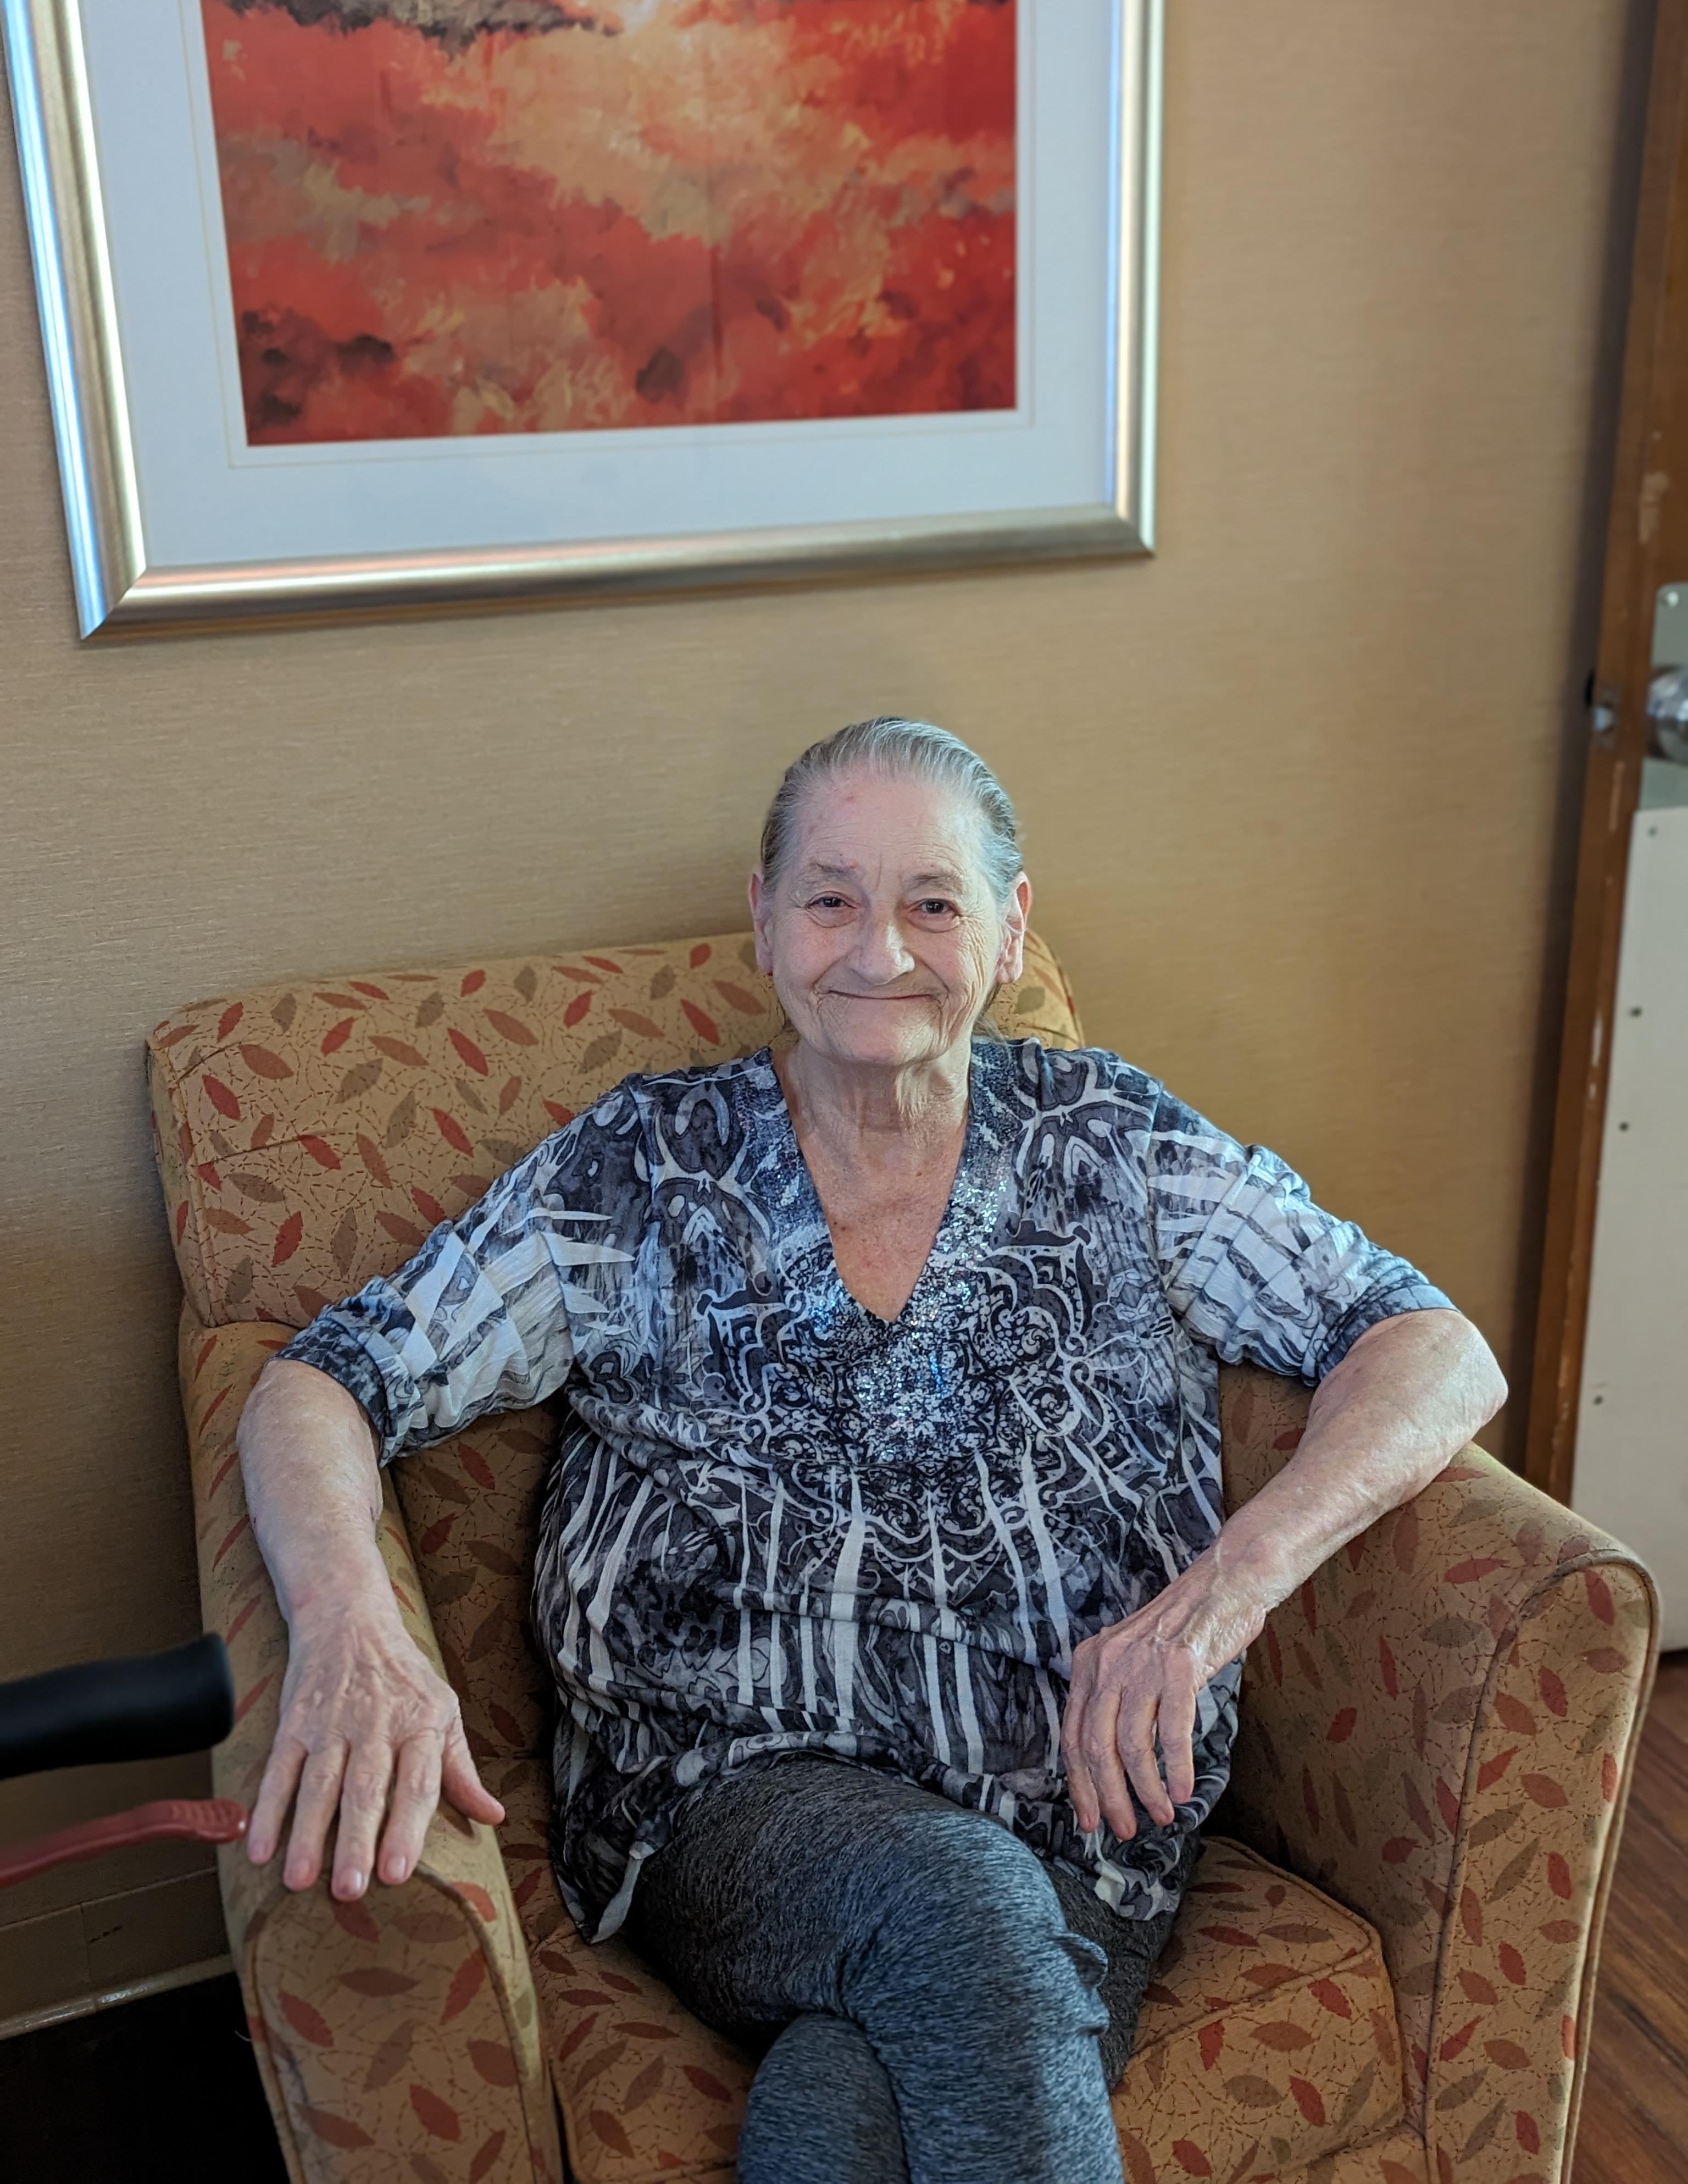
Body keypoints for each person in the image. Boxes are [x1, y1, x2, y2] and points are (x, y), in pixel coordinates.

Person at [236, 718, 1506, 2184]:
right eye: (832, 897)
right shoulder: (640, 1173)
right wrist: (354, 1632)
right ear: (764, 918)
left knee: (848, 2113)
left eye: (934, 902)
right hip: (725, 1801)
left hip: (1085, 1816)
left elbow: (1427, 1343)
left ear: (1011, 929)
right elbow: (319, 1385)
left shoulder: (1118, 1145)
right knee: (951, 1900)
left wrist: (1222, 1596)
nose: (880, 950)